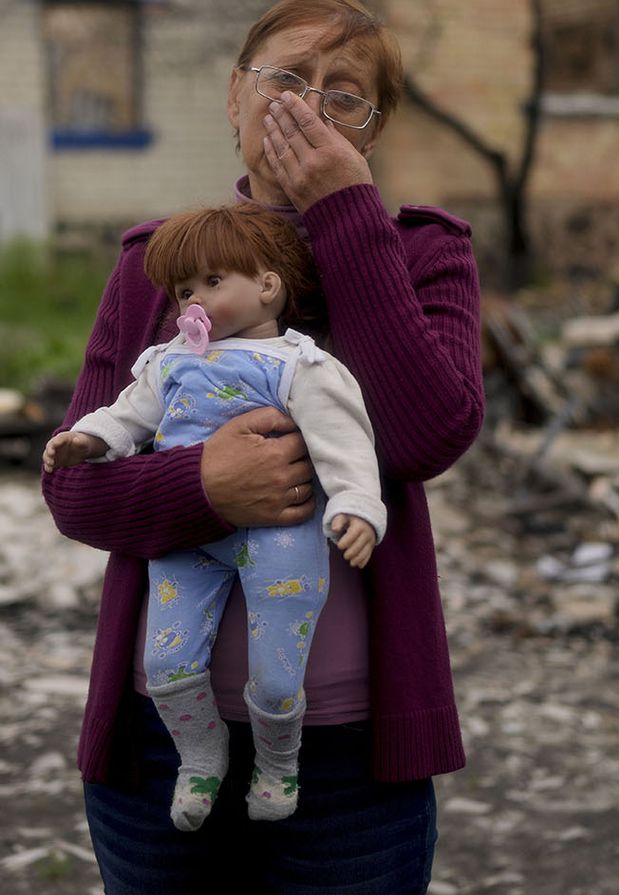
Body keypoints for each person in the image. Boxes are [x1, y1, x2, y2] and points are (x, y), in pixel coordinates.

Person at [40, 0, 482, 890]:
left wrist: (346, 213)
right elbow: (75, 488)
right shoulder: (155, 265)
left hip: (351, 756)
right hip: (159, 745)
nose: (307, 108)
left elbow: (426, 433)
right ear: (233, 99)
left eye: (343, 95)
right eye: (284, 80)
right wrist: (207, 484)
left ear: (375, 129)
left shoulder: (424, 254)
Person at [42, 203, 385, 832]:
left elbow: (344, 442)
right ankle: (201, 758)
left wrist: (360, 506)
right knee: (169, 660)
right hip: (190, 534)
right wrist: (85, 440)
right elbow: (126, 416)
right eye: (183, 290)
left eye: (212, 282)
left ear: (267, 284)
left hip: (282, 531)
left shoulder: (299, 365)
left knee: (279, 669)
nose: (192, 302)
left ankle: (279, 764)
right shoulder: (166, 361)